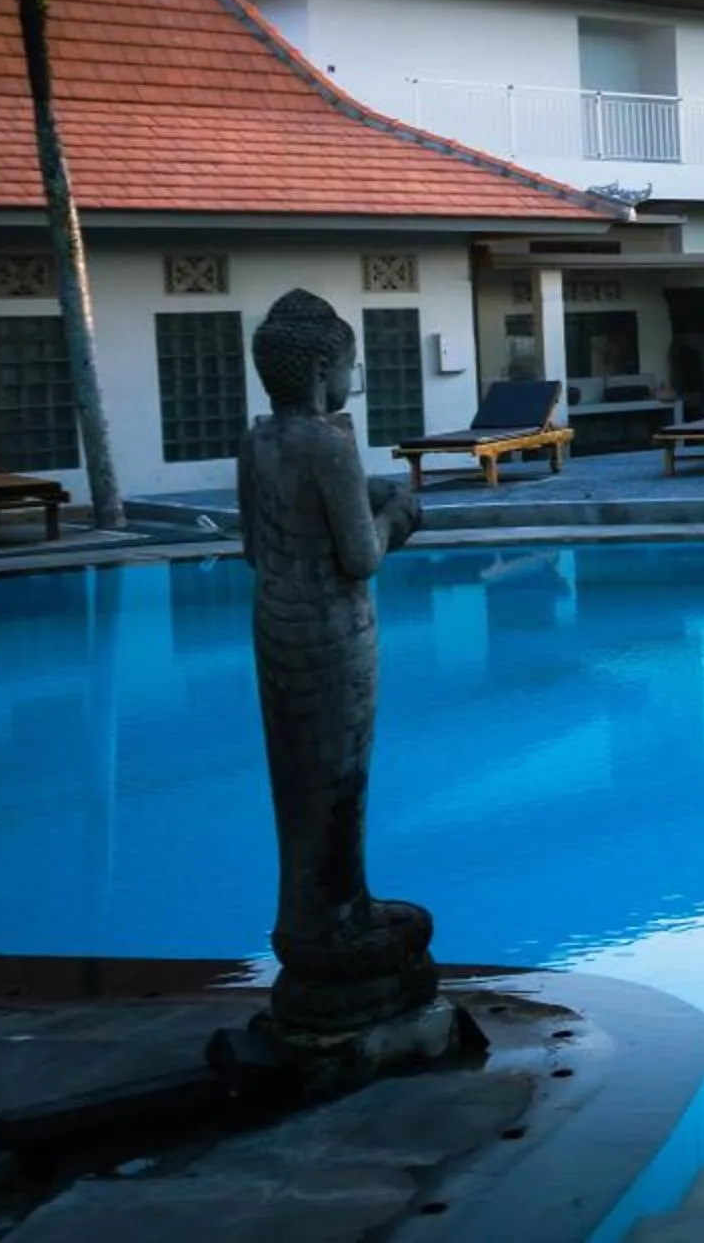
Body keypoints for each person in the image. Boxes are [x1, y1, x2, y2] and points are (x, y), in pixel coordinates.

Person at [236, 288, 435, 1037]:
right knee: (340, 775)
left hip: (274, 621)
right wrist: (398, 512)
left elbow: (256, 545)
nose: (355, 379)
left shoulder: (258, 441)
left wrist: (359, 496)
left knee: (300, 778)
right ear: (323, 367)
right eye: (351, 365)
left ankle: (322, 907)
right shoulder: (328, 444)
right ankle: (333, 917)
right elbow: (361, 555)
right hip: (330, 629)